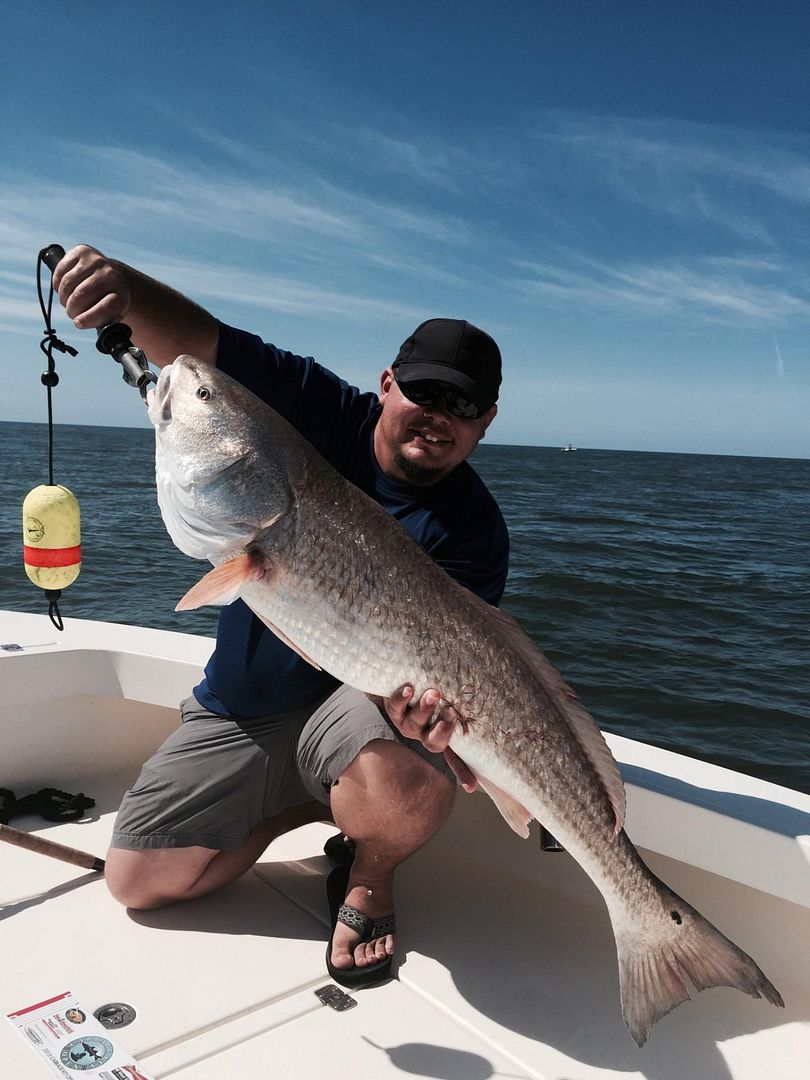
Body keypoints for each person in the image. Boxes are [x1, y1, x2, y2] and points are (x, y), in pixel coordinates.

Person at [53, 245, 509, 987]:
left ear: (486, 420)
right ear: (388, 384)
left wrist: (429, 720)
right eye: (424, 391)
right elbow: (202, 350)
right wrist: (127, 291)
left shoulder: (474, 531)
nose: (438, 416)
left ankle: (369, 871)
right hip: (245, 708)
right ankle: (305, 808)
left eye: (463, 405)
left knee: (406, 781)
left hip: (357, 708)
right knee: (136, 881)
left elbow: (450, 670)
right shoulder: (318, 406)